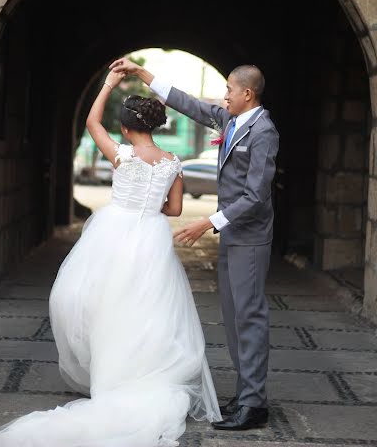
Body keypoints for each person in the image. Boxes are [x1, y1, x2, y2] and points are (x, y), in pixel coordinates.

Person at [0, 67, 221, 447]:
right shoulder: (173, 163)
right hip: (150, 235)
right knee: (148, 308)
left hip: (113, 231)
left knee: (97, 301)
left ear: (125, 129)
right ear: (154, 127)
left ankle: (106, 374)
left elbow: (92, 121)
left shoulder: (121, 155)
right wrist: (151, 204)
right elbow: (174, 210)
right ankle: (140, 373)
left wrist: (108, 83)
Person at [110, 57, 279, 432]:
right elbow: (186, 102)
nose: (224, 97)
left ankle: (254, 404)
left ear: (246, 93)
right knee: (235, 318)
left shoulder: (264, 132)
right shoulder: (230, 120)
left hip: (249, 237)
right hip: (234, 235)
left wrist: (208, 221)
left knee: (249, 316)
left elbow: (256, 194)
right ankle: (246, 393)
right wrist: (141, 73)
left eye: (229, 91)